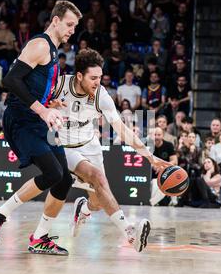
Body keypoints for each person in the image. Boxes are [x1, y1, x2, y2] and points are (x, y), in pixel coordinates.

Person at [0, 0, 83, 255]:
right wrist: (43, 109)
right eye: (69, 24)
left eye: (75, 26)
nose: (72, 30)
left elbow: (32, 84)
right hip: (21, 119)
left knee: (64, 180)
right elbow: (11, 80)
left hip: (37, 118)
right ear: (56, 21)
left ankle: (40, 238)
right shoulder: (39, 45)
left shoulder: (53, 52)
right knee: (51, 173)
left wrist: (51, 102)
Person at [52, 49, 171, 251]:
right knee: (98, 177)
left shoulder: (102, 95)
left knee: (98, 200)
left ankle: (84, 209)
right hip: (66, 146)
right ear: (79, 76)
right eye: (93, 77)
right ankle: (130, 232)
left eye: (100, 77)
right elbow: (33, 102)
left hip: (90, 144)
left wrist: (150, 157)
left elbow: (123, 131)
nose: (98, 82)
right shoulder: (60, 85)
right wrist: (48, 105)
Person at [149, 127, 178, 206]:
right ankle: (153, 202)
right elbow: (145, 161)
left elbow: (174, 161)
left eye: (159, 135)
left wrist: (163, 167)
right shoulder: (148, 145)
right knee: (155, 183)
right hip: (152, 174)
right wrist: (154, 165)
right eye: (155, 135)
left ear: (162, 135)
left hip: (166, 172)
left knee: (171, 179)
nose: (157, 137)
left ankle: (172, 201)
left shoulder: (168, 145)